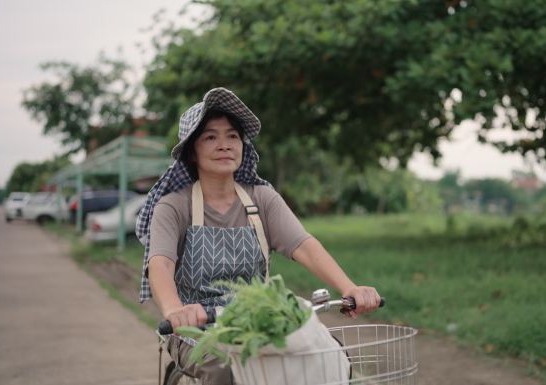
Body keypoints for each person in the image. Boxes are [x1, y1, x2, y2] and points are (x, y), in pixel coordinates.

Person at [135, 88, 381, 384]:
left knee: (330, 357)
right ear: (192, 151)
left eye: (232, 136)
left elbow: (304, 245)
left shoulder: (261, 198)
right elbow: (159, 263)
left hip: (258, 319)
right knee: (228, 373)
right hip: (195, 329)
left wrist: (350, 288)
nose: (224, 145)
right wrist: (175, 311)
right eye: (210, 137)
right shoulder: (174, 205)